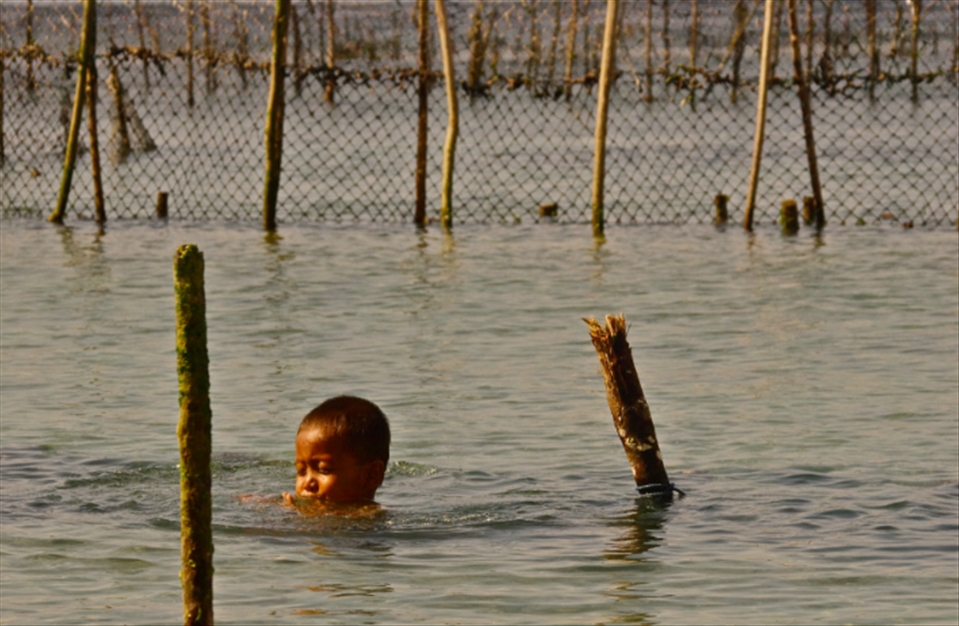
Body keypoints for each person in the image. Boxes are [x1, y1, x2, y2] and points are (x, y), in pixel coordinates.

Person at [282, 395, 390, 509]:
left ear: (371, 475)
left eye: (324, 469)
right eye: (301, 471)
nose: (308, 483)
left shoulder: (370, 515)